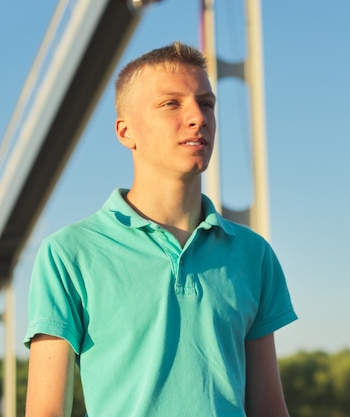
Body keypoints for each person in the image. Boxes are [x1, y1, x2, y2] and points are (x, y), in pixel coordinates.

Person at [24, 41, 297, 417]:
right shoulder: (69, 253)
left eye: (207, 103)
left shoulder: (254, 254)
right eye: (172, 103)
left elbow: (268, 408)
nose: (198, 117)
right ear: (125, 132)